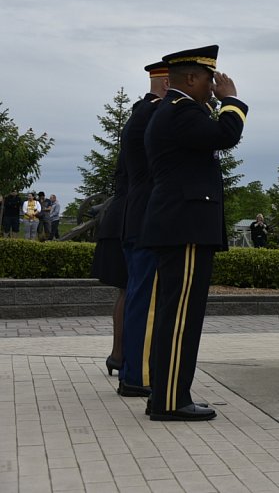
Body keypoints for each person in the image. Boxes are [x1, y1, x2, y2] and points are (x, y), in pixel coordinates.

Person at [138, 45, 247, 422]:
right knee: (180, 316)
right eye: (208, 78)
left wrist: (219, 102)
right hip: (183, 226)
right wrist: (233, 101)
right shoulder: (181, 111)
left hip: (181, 224)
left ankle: (168, 395)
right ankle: (170, 400)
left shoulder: (178, 111)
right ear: (190, 78)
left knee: (177, 313)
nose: (213, 85)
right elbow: (226, 134)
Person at [118, 60, 169, 398]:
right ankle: (141, 375)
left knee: (140, 296)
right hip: (149, 219)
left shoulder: (141, 112)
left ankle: (134, 370)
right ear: (168, 84)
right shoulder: (154, 115)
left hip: (138, 216)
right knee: (148, 302)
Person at [90, 144, 130, 377]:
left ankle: (118, 354)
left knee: (126, 292)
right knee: (129, 291)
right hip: (125, 223)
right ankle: (119, 354)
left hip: (117, 220)